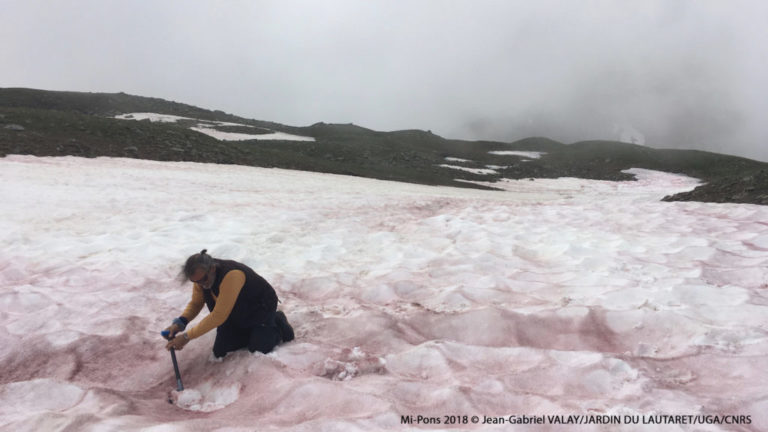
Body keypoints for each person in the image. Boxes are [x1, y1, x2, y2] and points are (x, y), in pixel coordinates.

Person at [164, 249, 294, 358]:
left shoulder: (231, 275)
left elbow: (219, 316)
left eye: (203, 279)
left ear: (212, 268)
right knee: (221, 351)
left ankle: (277, 323)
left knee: (258, 350)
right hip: (234, 312)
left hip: (260, 309)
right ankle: (251, 331)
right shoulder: (201, 279)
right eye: (195, 282)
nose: (200, 284)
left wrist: (187, 337)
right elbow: (196, 303)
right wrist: (181, 322)